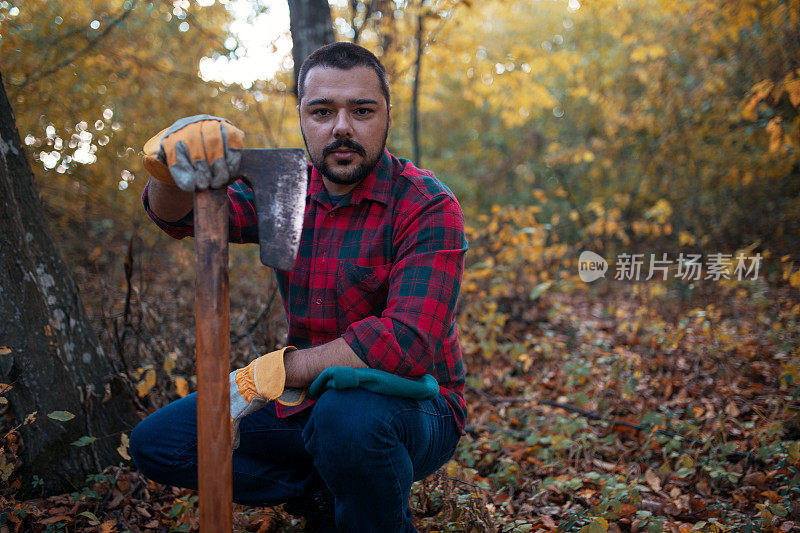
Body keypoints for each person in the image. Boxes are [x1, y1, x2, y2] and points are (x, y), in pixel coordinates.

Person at [130, 42, 468, 532]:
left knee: (348, 419)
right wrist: (168, 166)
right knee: (160, 443)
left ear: (386, 116)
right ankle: (325, 494)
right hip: (311, 402)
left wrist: (280, 370)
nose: (342, 127)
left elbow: (408, 343)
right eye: (323, 111)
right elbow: (176, 216)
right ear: (303, 118)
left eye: (362, 110)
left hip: (419, 406)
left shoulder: (424, 204)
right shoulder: (286, 192)